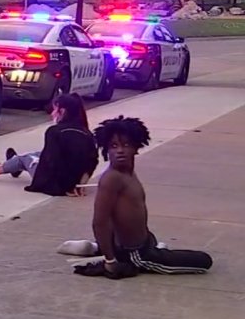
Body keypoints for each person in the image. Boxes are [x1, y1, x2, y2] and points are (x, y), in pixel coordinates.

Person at [72, 116, 213, 278]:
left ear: (136, 147)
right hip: (137, 254)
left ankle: (96, 248)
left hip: (145, 242)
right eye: (113, 146)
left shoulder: (128, 172)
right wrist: (110, 261)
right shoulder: (112, 178)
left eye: (125, 145)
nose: (119, 150)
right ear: (106, 150)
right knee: (204, 261)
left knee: (185, 256)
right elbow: (100, 222)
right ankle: (103, 250)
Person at [0, 92, 98, 197]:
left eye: (54, 110)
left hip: (54, 184)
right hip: (75, 181)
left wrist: (66, 187)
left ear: (62, 111)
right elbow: (91, 161)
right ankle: (13, 164)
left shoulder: (54, 132)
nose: (52, 113)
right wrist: (81, 184)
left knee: (26, 158)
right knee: (37, 154)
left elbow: (52, 162)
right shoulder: (86, 133)